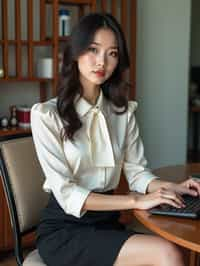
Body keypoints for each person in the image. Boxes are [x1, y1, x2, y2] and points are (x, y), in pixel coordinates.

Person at [31, 13, 200, 266]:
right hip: (64, 230)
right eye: (93, 50)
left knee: (176, 250)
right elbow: (67, 194)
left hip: (107, 224)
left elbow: (138, 173)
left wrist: (173, 187)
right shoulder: (46, 115)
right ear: (76, 53)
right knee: (168, 253)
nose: (102, 62)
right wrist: (135, 200)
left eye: (112, 53)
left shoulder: (122, 112)